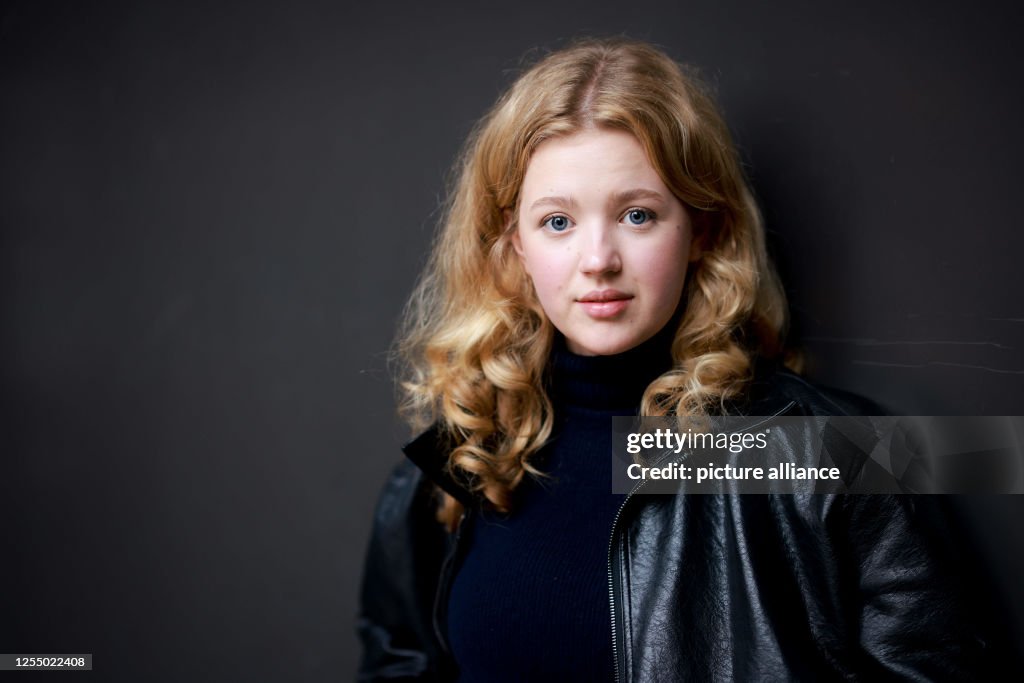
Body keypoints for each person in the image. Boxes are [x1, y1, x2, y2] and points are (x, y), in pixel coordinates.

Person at [357, 38, 992, 681]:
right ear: (514, 240)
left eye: (637, 215)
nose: (598, 260)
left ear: (701, 230)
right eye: (557, 222)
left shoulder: (844, 454)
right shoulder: (462, 458)